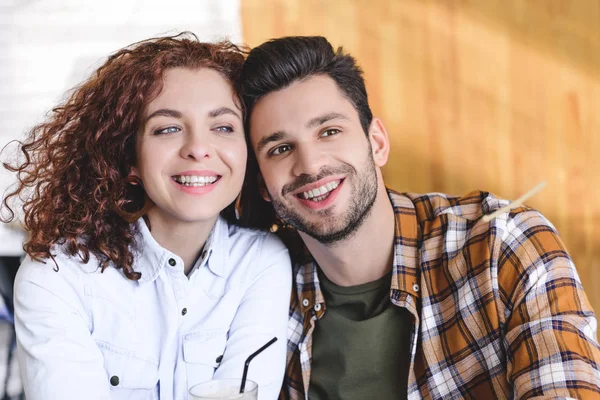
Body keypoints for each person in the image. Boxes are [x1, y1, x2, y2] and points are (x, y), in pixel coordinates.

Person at [238, 36, 600, 399]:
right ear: (264, 185)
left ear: (377, 142)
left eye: (329, 131)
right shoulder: (257, 287)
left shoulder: (501, 246)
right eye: (280, 148)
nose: (310, 164)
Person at [1, 33, 291, 400]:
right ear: (129, 160)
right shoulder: (56, 277)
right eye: (167, 128)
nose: (199, 149)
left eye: (222, 127)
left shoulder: (262, 263)